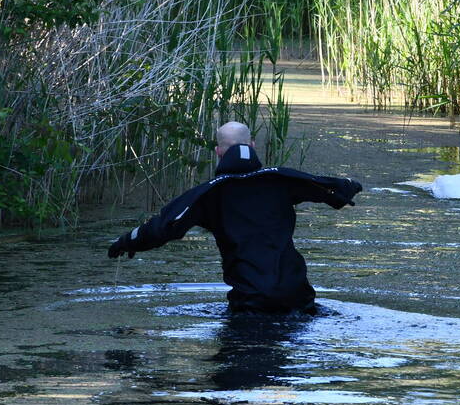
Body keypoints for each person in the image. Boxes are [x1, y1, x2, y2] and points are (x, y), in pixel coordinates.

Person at [107, 121, 362, 314]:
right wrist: (349, 187)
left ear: (218, 152)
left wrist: (127, 241)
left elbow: (163, 227)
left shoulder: (208, 194)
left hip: (251, 302)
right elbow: (330, 187)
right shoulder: (282, 181)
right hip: (299, 296)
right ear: (252, 146)